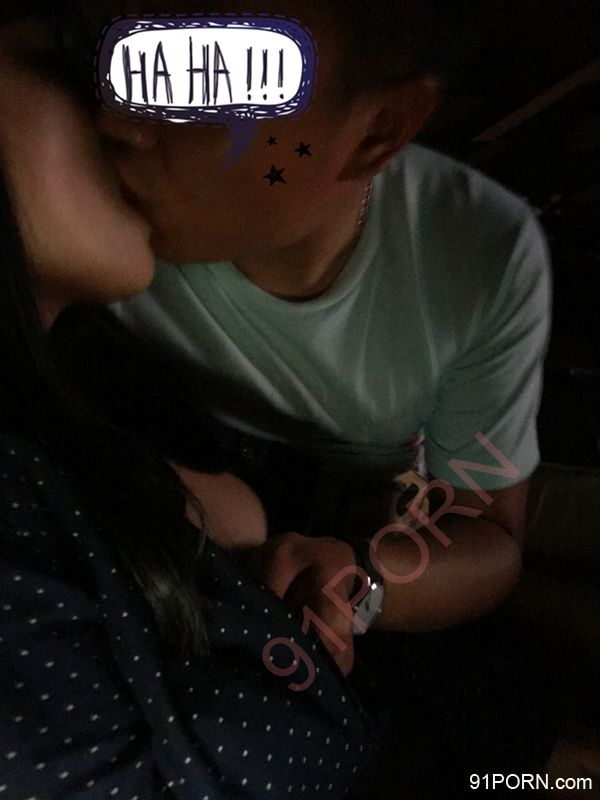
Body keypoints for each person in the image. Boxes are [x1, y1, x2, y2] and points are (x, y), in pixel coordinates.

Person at [88, 0, 557, 792]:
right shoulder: (81, 199)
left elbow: (484, 527)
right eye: (112, 47)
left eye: (211, 74)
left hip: (357, 524)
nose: (119, 118)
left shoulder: (476, 252)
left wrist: (359, 582)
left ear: (379, 129)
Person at [0, 13, 379, 799]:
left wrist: (273, 590)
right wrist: (278, 654)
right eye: (66, 63)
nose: (127, 119)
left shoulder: (89, 378)